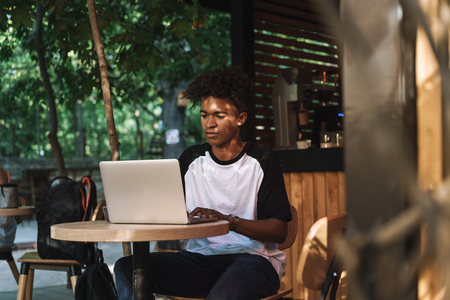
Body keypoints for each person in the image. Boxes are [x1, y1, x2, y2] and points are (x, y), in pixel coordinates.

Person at [114, 65, 292, 300]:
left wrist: (229, 221)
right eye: (204, 115)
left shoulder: (261, 160)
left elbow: (279, 231)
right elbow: (165, 208)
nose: (209, 123)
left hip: (254, 260)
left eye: (219, 116)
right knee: (128, 268)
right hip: (201, 260)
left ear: (240, 118)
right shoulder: (191, 160)